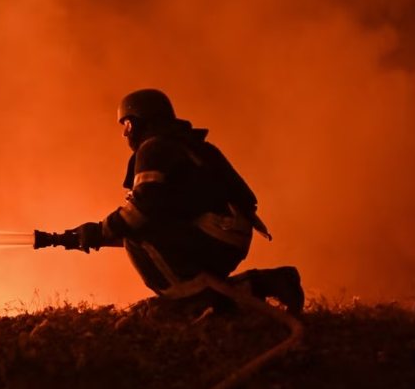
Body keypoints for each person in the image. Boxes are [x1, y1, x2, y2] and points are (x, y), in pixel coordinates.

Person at [71, 89, 304, 314]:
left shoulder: (154, 148)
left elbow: (141, 210)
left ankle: (187, 300)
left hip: (216, 233)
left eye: (127, 125)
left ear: (141, 122)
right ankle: (264, 283)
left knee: (136, 233)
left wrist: (98, 230)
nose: (125, 134)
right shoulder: (186, 145)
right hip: (230, 235)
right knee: (145, 234)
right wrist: (100, 235)